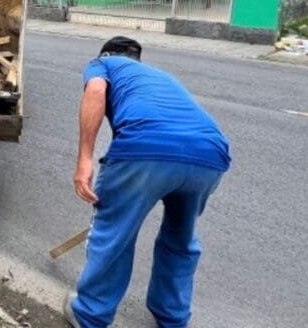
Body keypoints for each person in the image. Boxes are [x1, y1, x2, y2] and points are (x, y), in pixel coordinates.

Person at [66, 36, 230, 328]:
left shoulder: (103, 64)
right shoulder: (158, 76)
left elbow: (94, 90)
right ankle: (173, 318)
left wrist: (84, 160)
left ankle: (89, 315)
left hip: (147, 147)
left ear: (106, 54)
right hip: (210, 154)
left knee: (114, 235)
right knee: (181, 239)